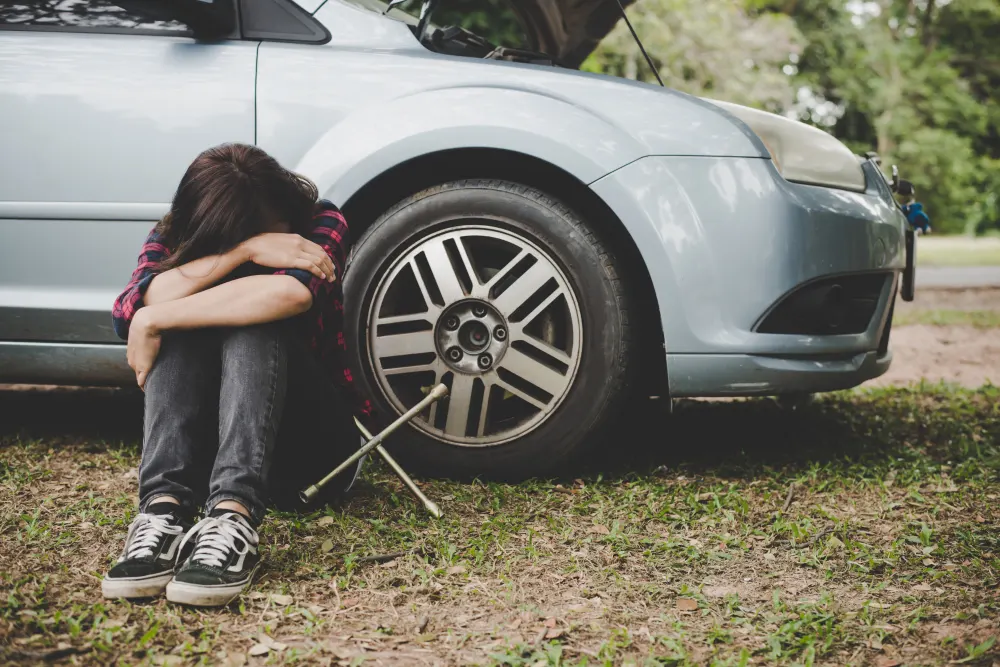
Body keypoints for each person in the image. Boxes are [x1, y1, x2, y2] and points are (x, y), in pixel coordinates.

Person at [103, 143, 371, 607]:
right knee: (178, 319)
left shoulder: (322, 221)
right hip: (208, 460)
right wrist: (244, 251)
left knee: (250, 320)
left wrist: (156, 317)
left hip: (314, 456)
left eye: (269, 230)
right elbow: (139, 302)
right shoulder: (176, 232)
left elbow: (290, 294)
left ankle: (234, 517)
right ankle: (163, 513)